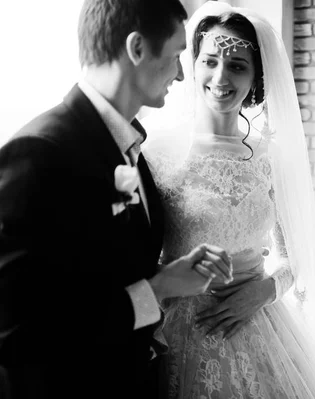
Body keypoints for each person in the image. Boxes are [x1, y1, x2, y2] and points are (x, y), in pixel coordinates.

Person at [0, 1, 234, 399]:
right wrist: (156, 288)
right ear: (137, 48)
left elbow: (103, 269)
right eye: (176, 55)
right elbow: (17, 332)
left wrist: (169, 272)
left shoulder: (131, 145)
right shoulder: (38, 152)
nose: (181, 74)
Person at [143, 2, 315, 398]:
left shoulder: (271, 157)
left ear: (256, 80)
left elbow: (296, 257)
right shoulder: (157, 152)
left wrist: (262, 292)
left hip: (259, 320)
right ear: (193, 65)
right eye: (209, 61)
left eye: (237, 66)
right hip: (177, 329)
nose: (220, 77)